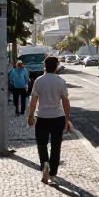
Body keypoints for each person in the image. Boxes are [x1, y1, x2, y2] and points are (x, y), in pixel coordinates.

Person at [27, 55, 72, 185]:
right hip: (58, 117)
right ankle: (52, 174)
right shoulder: (61, 81)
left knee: (41, 144)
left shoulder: (39, 81)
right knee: (56, 146)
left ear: (44, 66)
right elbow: (65, 101)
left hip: (42, 117)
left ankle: (44, 164)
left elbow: (34, 100)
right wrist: (67, 119)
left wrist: (30, 116)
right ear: (57, 67)